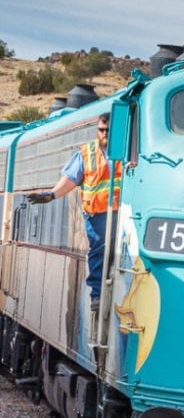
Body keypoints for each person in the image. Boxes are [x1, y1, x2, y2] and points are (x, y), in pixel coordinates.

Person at [27, 113, 122, 310]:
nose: (104, 134)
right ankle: (97, 295)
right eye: (101, 130)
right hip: (98, 215)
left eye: (108, 131)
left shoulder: (128, 152)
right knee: (98, 250)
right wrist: (51, 195)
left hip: (123, 214)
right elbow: (71, 180)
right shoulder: (87, 154)